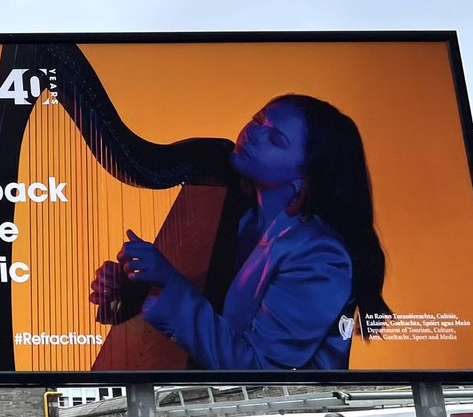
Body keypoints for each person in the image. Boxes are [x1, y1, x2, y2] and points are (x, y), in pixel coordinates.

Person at [89, 95, 390, 371]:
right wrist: (132, 292)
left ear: (304, 177)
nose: (253, 133)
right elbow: (212, 310)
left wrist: (168, 281)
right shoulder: (240, 217)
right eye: (258, 120)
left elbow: (261, 369)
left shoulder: (321, 257)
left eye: (275, 138)